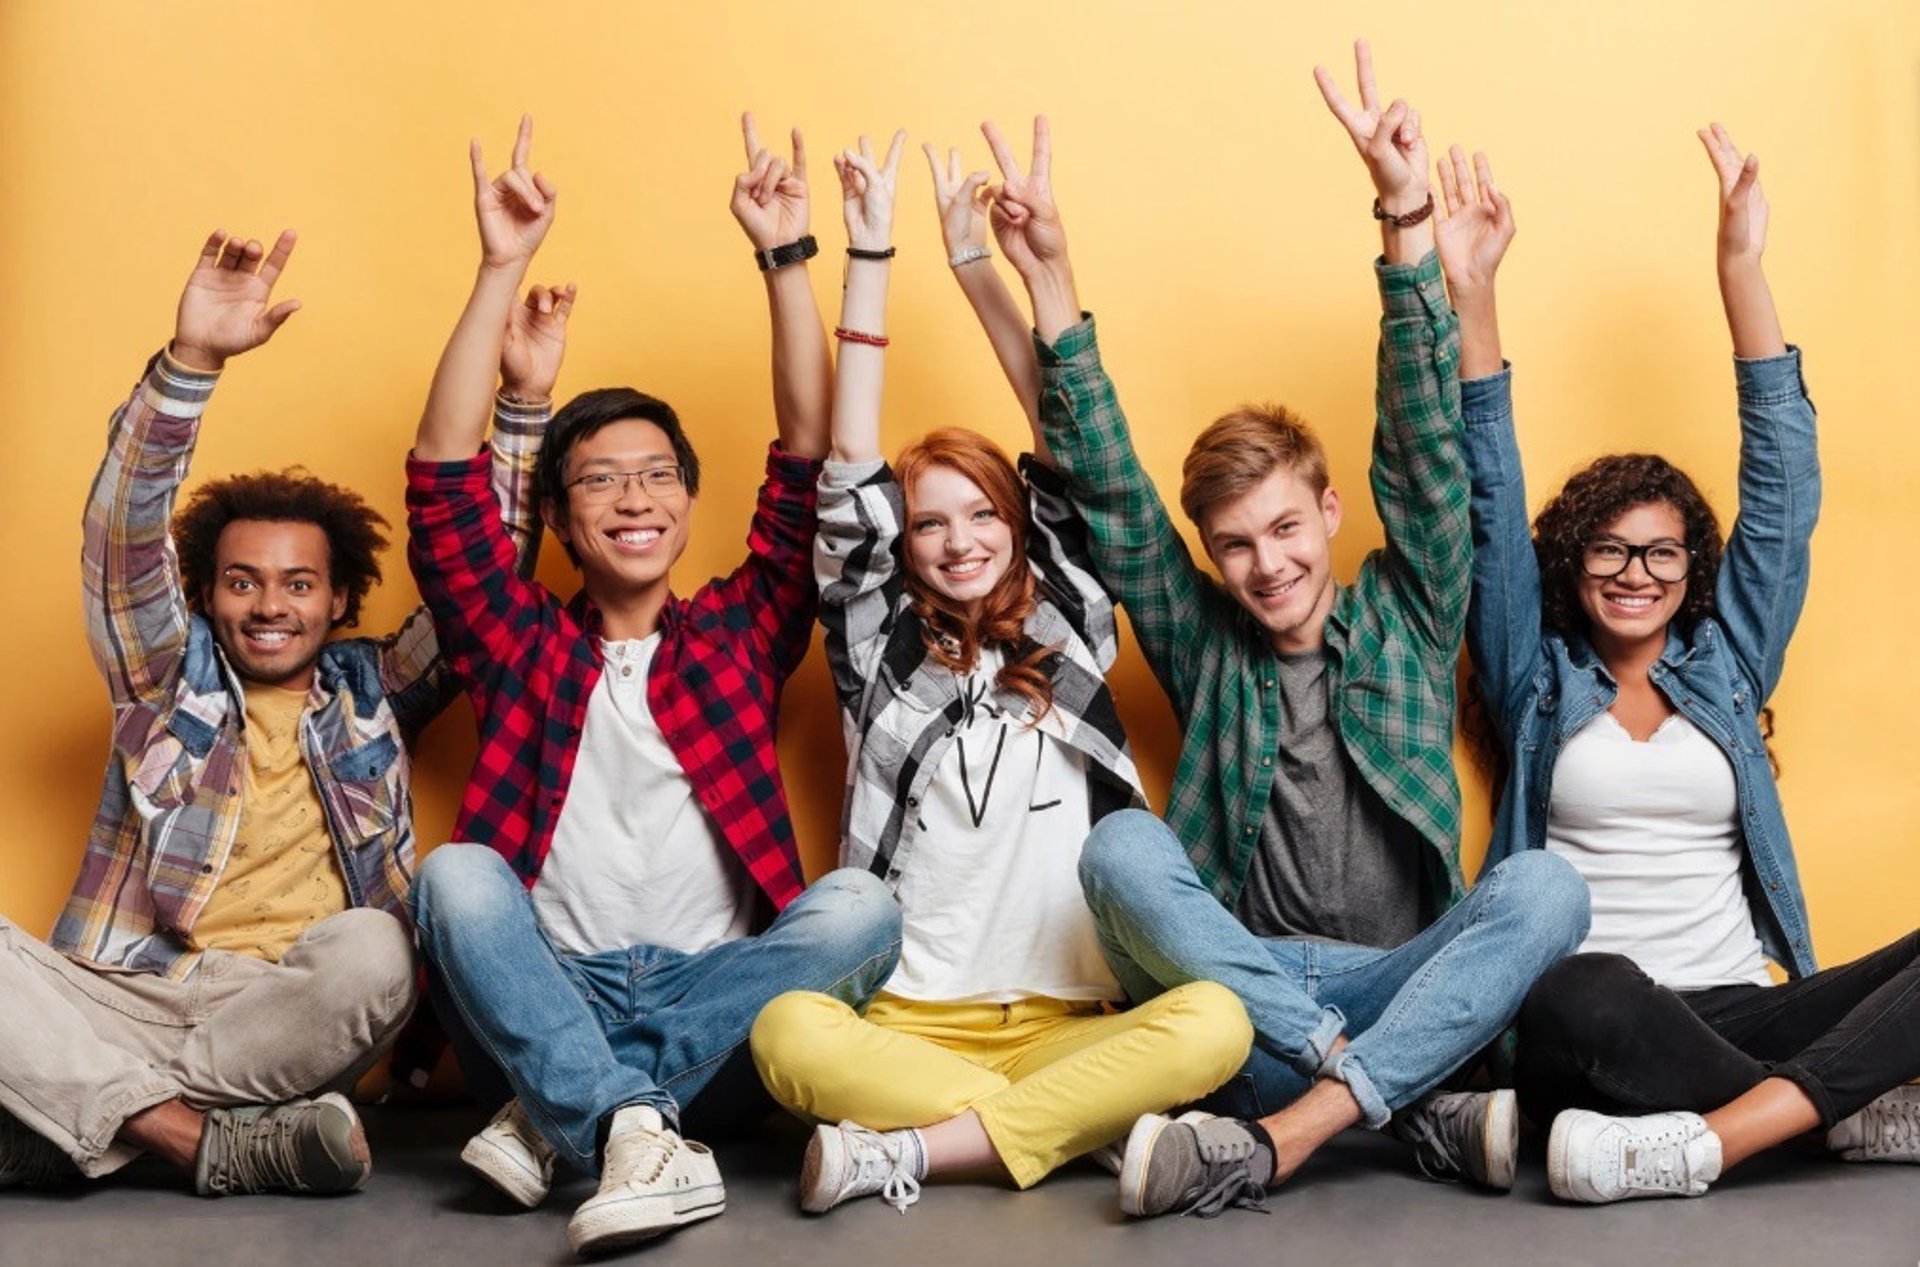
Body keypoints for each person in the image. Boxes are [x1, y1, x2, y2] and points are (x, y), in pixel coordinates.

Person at [988, 41, 1591, 1218]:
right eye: (1235, 545)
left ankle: (1319, 1113)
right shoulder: (1206, 640)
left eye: (1283, 529)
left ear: (1328, 512)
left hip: (1407, 985)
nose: (1268, 565)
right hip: (1247, 1005)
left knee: (1547, 887)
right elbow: (1111, 489)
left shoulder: (1411, 610)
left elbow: (1425, 448)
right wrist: (1049, 274)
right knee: (1118, 852)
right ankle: (1399, 1103)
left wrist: (1403, 216)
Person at [403, 115, 902, 1256]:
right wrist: (500, 266)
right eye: (599, 482)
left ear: (686, 498)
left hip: (716, 1000)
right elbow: (440, 478)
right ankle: (624, 1114)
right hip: (543, 998)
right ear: (559, 515)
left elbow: (809, 456)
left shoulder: (738, 631)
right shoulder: (518, 641)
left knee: (863, 908)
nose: (634, 498)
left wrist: (785, 258)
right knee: (454, 877)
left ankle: (572, 1108)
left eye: (656, 475)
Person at [748, 130, 1252, 1217]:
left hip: (1073, 1015)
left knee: (1218, 1019)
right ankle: (1078, 1125)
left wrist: (979, 264)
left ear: (1020, 528)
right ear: (904, 542)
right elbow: (848, 473)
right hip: (912, 1022)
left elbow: (1062, 432)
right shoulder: (877, 649)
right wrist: (868, 254)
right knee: (785, 1031)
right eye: (929, 523)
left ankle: (922, 1151)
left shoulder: (1071, 624)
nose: (959, 540)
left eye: (983, 514)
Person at [0, 225, 542, 1196]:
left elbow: (481, 576)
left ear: (339, 599)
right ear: (207, 593)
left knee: (383, 947)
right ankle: (190, 1138)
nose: (269, 605)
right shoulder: (162, 678)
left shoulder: (378, 690)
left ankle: (81, 1115)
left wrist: (523, 410)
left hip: (280, 1020)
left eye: (298, 584)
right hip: (122, 995)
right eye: (242, 581)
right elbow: (121, 541)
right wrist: (191, 364)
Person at [1453, 122, 1920, 1204]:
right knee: (1581, 989)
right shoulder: (1534, 677)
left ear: (1692, 568)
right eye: (1608, 550)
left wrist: (1740, 267)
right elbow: (1488, 494)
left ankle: (1720, 1134)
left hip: (1741, 1006)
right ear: (1569, 564)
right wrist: (1473, 295)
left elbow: (1785, 487)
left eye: (1662, 552)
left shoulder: (1729, 667)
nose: (1635, 573)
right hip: (1595, 1016)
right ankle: (1838, 1115)